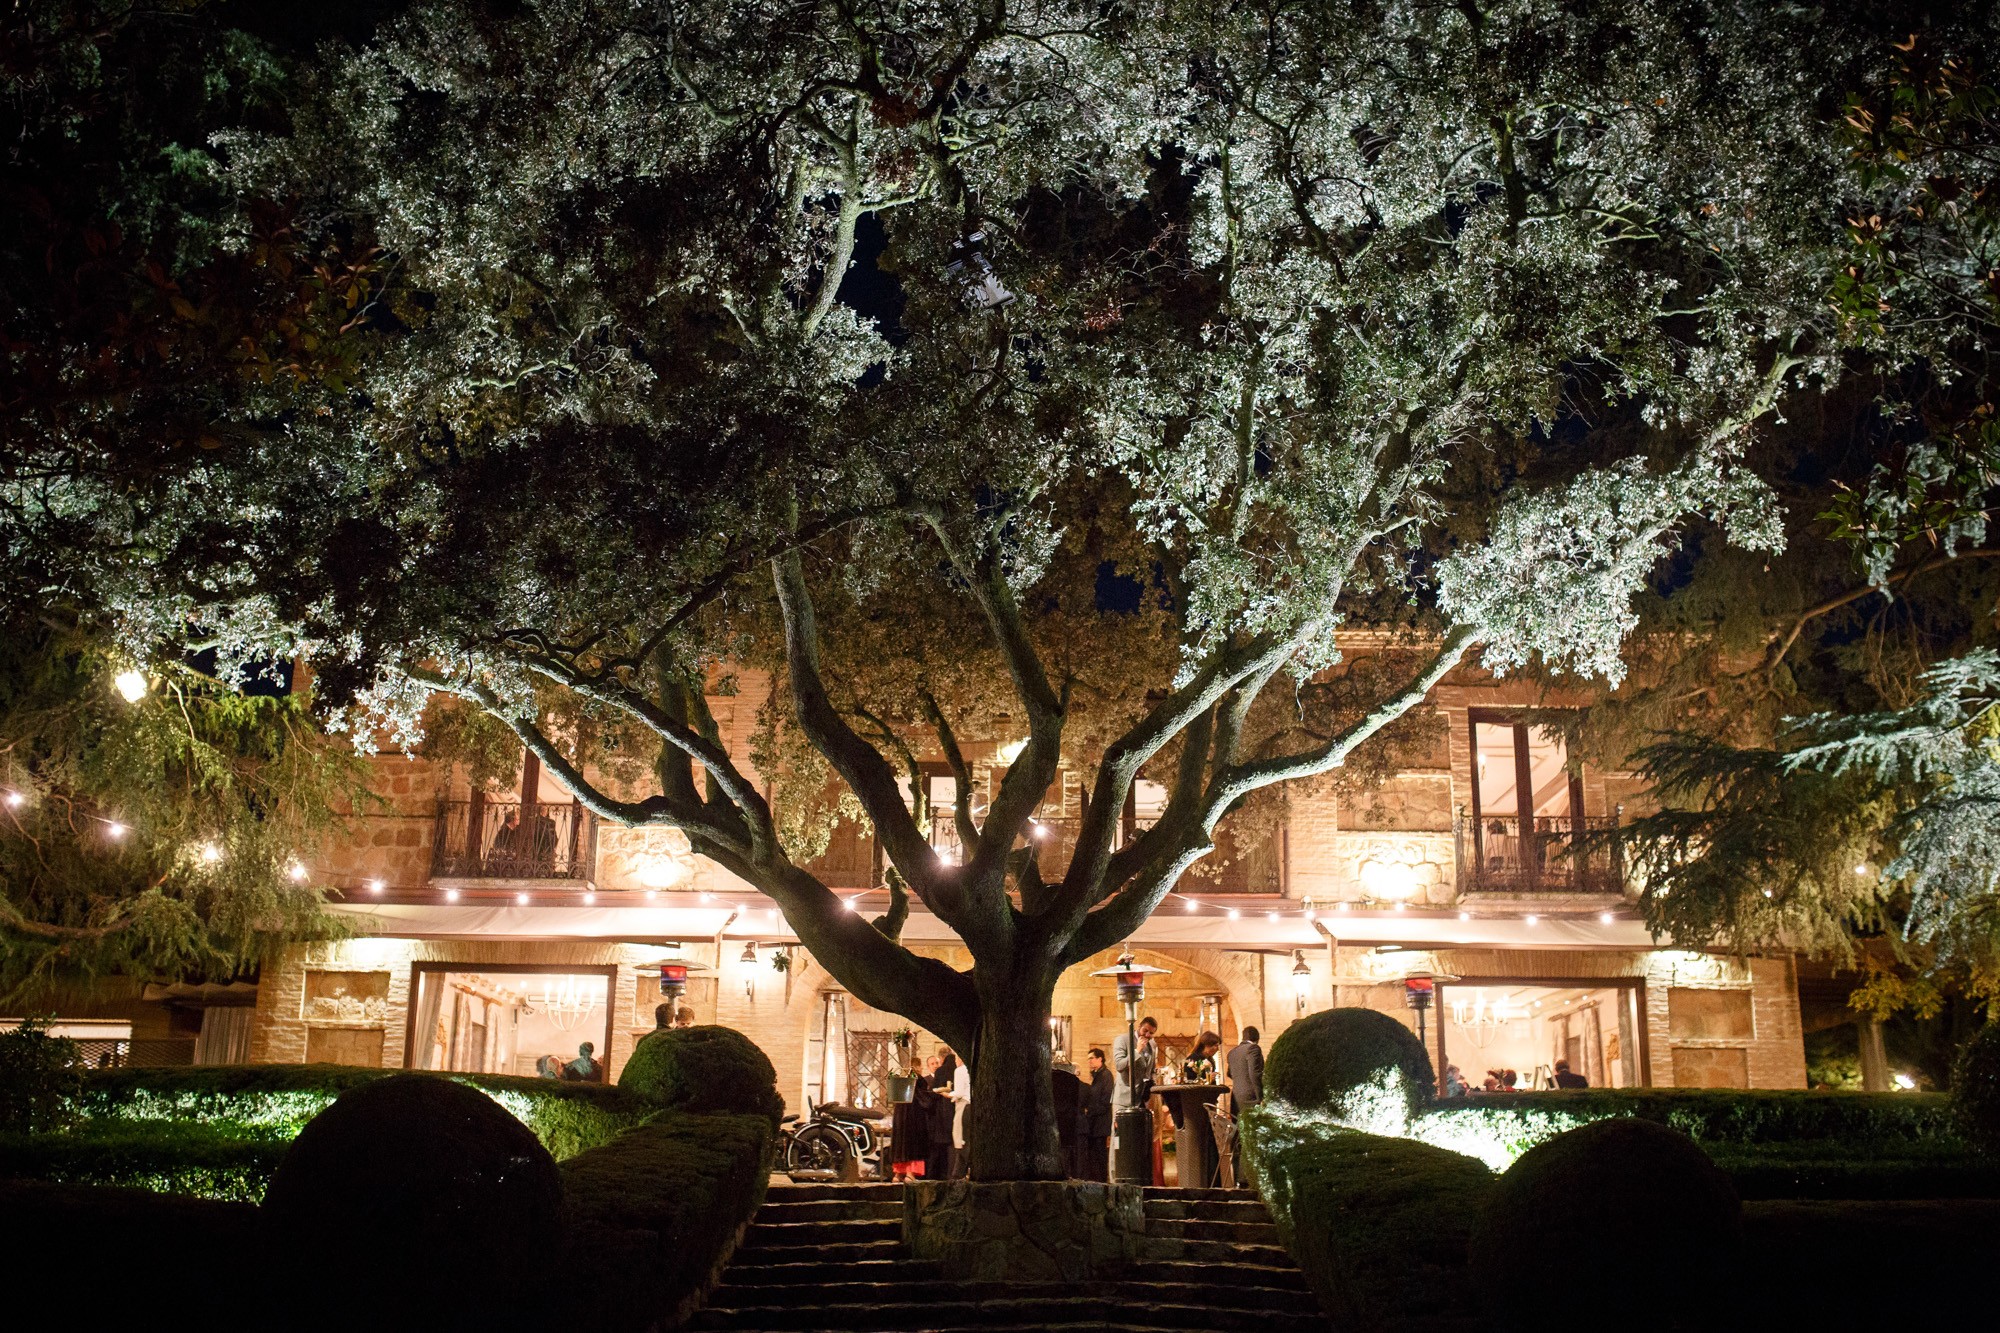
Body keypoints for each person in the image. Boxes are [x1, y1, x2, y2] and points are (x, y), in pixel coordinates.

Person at [1078, 1048, 1114, 1181]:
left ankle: (1101, 1181)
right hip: (1094, 1123)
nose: (1089, 1061)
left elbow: (1105, 1101)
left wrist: (1090, 1111)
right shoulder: (1097, 1075)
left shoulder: (1106, 1075)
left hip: (1100, 1123)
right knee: (1094, 1155)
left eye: (1091, 1058)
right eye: (1088, 1059)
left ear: (1100, 1059)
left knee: (1099, 1155)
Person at [1112, 1016, 1158, 1110]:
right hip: (1124, 1099)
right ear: (1139, 1026)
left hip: (1142, 1100)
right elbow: (1119, 1066)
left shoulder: (1152, 1045)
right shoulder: (1122, 1040)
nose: (1147, 1035)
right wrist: (1137, 1051)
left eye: (1151, 1033)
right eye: (1145, 1030)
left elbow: (1151, 1070)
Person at [1226, 1027, 1264, 1111]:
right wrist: (1260, 1096)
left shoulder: (1232, 1052)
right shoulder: (1253, 1048)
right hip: (1251, 1096)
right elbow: (1254, 1073)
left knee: (1238, 1123)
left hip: (1236, 1096)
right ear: (1257, 1039)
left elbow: (1229, 1073)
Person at [948, 1048, 972, 1178]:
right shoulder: (971, 1070)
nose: (955, 1061)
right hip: (971, 1106)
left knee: (961, 1140)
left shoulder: (960, 1070)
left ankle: (958, 1175)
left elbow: (959, 1093)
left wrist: (948, 1094)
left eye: (956, 1058)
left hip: (964, 1107)